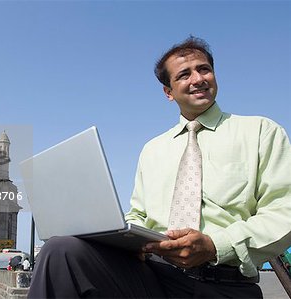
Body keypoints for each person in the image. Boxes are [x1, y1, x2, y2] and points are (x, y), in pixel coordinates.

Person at [27, 37, 291, 298]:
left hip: (225, 285)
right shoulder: (152, 150)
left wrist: (213, 246)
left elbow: (284, 212)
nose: (198, 79)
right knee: (60, 249)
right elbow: (138, 215)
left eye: (204, 69)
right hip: (153, 277)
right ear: (168, 92)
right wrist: (125, 236)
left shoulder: (260, 132)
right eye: (184, 74)